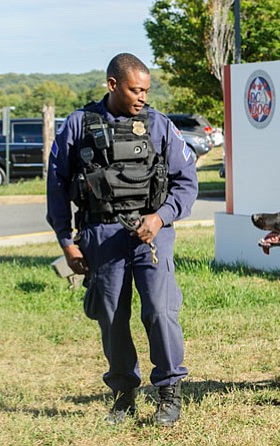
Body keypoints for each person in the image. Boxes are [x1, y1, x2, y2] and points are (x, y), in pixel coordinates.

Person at [46, 53, 198, 426]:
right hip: (101, 233)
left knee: (160, 312)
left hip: (151, 234)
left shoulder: (159, 125)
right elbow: (57, 183)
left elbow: (187, 182)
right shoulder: (79, 124)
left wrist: (160, 218)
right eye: (136, 89)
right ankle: (123, 394)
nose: (143, 97)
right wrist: (66, 239)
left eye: (147, 89)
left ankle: (168, 392)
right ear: (112, 85)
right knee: (112, 317)